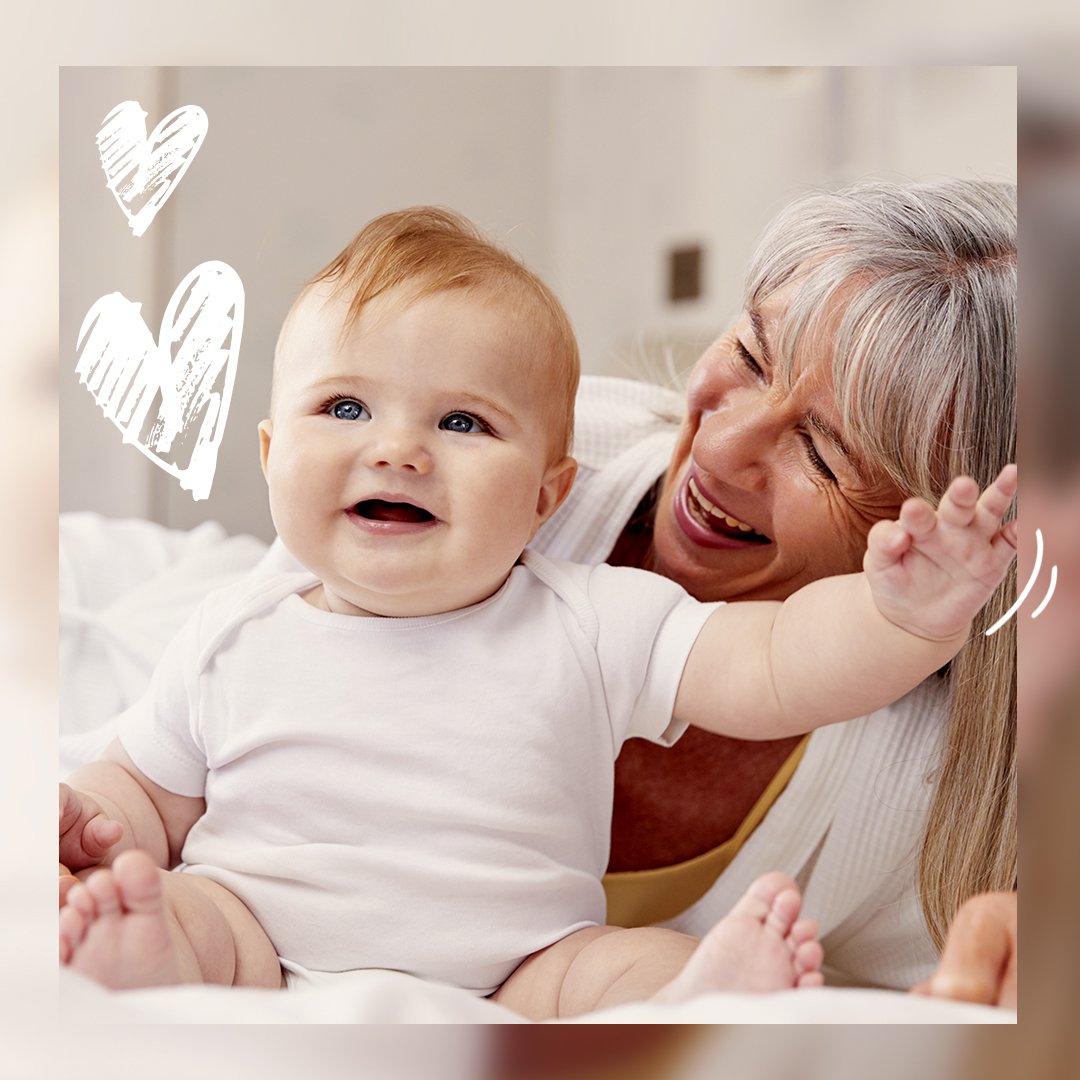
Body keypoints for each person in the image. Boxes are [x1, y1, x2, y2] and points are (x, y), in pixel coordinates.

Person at [57, 207, 1015, 1019]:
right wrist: (92, 827)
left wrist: (908, 616)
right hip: (256, 926)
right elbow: (146, 785)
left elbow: (775, 662)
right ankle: (133, 959)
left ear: (551, 494)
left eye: (461, 424)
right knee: (177, 917)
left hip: (520, 967)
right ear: (269, 454)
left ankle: (717, 1004)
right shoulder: (234, 629)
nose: (398, 450)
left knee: (631, 969)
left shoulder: (592, 619)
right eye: (345, 409)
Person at [526, 178, 1018, 1002]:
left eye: (824, 455)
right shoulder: (524, 463)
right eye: (751, 357)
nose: (721, 447)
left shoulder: (926, 789)